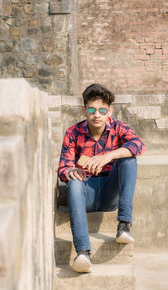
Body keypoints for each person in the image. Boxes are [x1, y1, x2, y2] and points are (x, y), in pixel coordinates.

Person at [58, 84, 146, 273]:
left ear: (109, 111)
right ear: (84, 110)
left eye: (101, 110)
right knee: (73, 181)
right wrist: (71, 170)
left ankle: (124, 225)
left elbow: (139, 144)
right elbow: (63, 167)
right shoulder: (73, 133)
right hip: (85, 192)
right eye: (91, 110)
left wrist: (110, 155)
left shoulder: (118, 127)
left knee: (128, 159)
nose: (96, 115)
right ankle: (82, 252)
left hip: (109, 192)